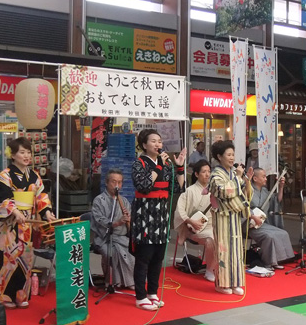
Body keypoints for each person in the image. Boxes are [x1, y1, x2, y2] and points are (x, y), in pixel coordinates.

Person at [0, 137, 56, 309]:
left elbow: (42, 196)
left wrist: (47, 212)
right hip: (10, 223)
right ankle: (5, 296)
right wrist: (14, 211)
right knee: (8, 259)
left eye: (28, 152)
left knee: (26, 259)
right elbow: (3, 197)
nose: (26, 155)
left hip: (27, 222)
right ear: (12, 155)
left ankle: (21, 295)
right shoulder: (5, 175)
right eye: (22, 152)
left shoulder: (34, 176)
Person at [131, 129, 186, 311]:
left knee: (158, 257)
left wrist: (178, 167)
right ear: (144, 145)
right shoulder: (139, 163)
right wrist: (159, 167)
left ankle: (152, 292)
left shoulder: (165, 163)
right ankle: (140, 296)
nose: (157, 144)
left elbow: (177, 189)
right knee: (144, 257)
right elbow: (144, 186)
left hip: (162, 215)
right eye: (153, 141)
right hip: (145, 214)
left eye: (159, 141)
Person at [208, 140, 252, 295]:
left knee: (236, 250)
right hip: (222, 216)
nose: (232, 158)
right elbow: (223, 192)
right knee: (223, 249)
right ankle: (221, 283)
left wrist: (245, 181)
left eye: (233, 154)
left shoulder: (233, 173)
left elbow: (242, 192)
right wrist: (239, 179)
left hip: (233, 215)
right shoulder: (215, 174)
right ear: (219, 156)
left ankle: (235, 282)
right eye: (228, 154)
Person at [91, 169, 135, 289]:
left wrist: (128, 220)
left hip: (120, 237)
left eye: (119, 182)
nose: (117, 185)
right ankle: (111, 282)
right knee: (110, 252)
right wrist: (116, 223)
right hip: (104, 238)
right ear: (106, 182)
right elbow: (99, 220)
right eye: (113, 182)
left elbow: (130, 223)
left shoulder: (124, 201)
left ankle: (128, 281)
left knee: (133, 251)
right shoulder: (99, 200)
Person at [173, 159, 216, 282]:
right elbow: (179, 210)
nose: (207, 174)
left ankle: (218, 267)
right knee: (211, 239)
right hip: (194, 228)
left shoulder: (214, 190)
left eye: (209, 171)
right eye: (204, 172)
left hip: (212, 225)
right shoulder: (189, 191)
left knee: (225, 236)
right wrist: (190, 221)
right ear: (196, 174)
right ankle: (209, 270)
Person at [248, 168, 294, 271]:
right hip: (250, 224)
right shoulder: (248, 190)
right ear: (255, 178)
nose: (265, 179)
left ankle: (276, 260)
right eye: (263, 177)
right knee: (269, 236)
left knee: (283, 233)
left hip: (262, 223)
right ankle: (267, 263)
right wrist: (252, 216)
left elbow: (277, 200)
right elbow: (243, 206)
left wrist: (281, 187)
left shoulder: (265, 191)